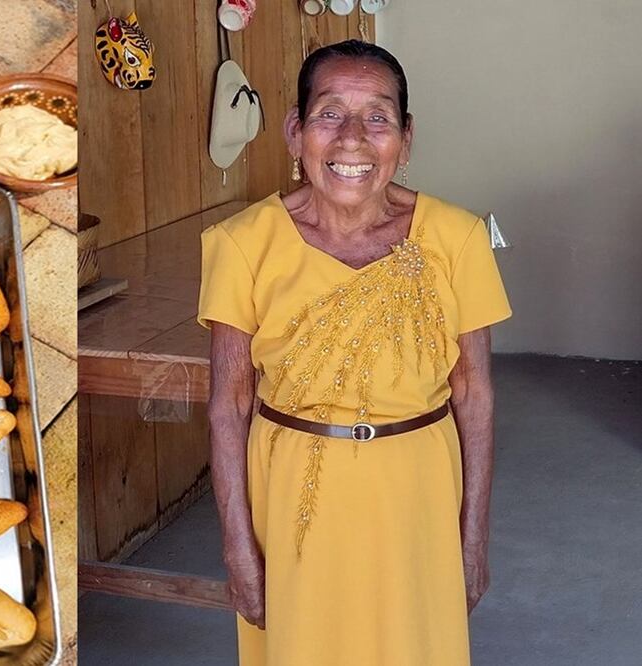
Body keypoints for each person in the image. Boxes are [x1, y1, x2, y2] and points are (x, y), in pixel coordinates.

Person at [198, 40, 511, 665]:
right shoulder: (240, 243)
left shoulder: (457, 237)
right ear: (295, 132)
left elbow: (474, 394)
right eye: (329, 113)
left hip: (417, 488)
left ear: (406, 136)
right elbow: (228, 404)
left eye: (378, 117)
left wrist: (473, 536)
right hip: (293, 495)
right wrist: (237, 546)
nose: (352, 139)